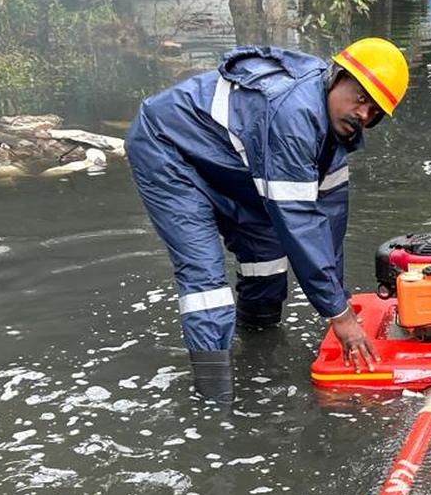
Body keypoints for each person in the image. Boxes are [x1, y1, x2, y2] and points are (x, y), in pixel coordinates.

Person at [126, 39, 408, 400]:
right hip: (169, 150)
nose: (364, 114)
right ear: (337, 78)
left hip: (231, 162)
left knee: (267, 265)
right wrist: (338, 317)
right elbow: (300, 221)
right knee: (207, 284)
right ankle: (215, 407)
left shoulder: (336, 140)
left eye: (375, 112)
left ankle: (257, 359)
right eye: (361, 99)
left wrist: (339, 299)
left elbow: (329, 226)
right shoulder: (294, 116)